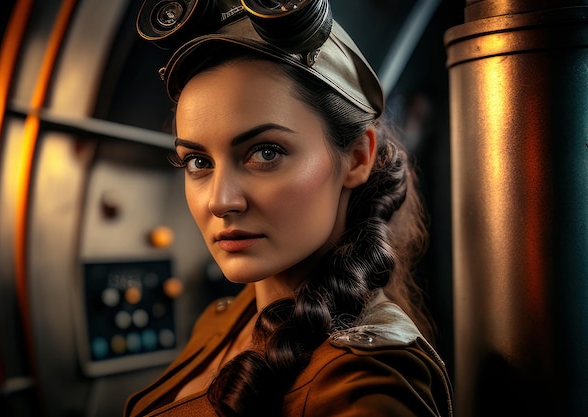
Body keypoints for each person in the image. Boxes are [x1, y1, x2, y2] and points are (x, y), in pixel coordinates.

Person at [124, 1, 453, 416]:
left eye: (265, 152)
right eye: (198, 162)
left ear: (356, 157)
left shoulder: (365, 386)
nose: (220, 201)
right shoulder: (226, 318)